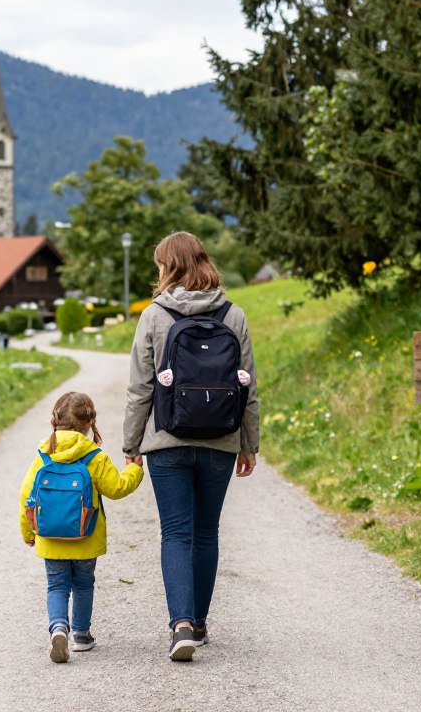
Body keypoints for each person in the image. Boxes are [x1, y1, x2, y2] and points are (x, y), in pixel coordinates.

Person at [123, 231, 260, 662]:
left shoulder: (154, 315)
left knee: (176, 532)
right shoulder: (232, 314)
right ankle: (198, 624)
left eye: (160, 263)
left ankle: (180, 624)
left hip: (167, 441)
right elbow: (249, 387)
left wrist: (131, 444)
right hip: (221, 438)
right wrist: (248, 443)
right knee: (205, 531)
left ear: (169, 267)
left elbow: (139, 388)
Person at [19, 391, 144, 663]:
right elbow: (117, 488)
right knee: (84, 585)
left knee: (56, 586)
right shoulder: (93, 456)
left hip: (50, 537)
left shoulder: (44, 454)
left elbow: (26, 495)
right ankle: (82, 635)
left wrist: (29, 532)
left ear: (55, 419)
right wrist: (135, 469)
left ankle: (58, 628)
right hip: (86, 537)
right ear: (89, 423)